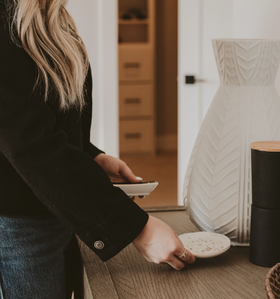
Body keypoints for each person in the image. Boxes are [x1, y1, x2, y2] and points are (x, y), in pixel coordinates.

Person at [0, 0, 195, 298]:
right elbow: (30, 143)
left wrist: (91, 156)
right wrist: (138, 228)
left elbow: (44, 116)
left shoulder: (49, 16)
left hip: (51, 212)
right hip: (21, 226)